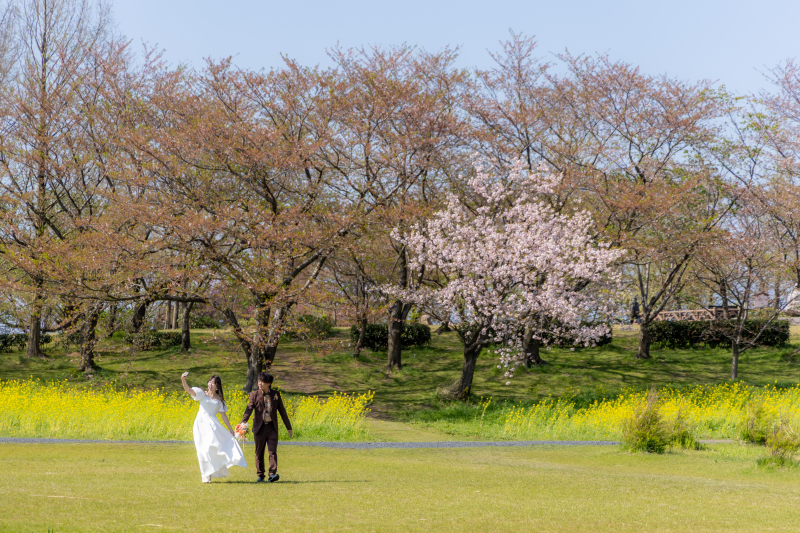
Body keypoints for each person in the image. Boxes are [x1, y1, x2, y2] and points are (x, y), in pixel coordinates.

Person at [181, 372, 247, 483]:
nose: (210, 384)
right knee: (202, 449)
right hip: (200, 424)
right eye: (209, 382)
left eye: (213, 383)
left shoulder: (219, 399)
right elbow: (188, 390)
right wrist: (183, 379)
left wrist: (231, 429)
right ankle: (205, 475)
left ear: (217, 386)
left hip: (213, 426)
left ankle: (210, 472)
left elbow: (223, 415)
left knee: (211, 447)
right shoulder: (202, 394)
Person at [241, 372, 293, 483]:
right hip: (259, 428)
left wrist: (289, 427)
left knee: (272, 451)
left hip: (272, 428)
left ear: (269, 383)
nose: (259, 383)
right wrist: (242, 424)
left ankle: (272, 474)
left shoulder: (276, 394)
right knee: (259, 452)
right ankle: (260, 475)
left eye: (262, 382)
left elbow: (282, 411)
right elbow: (249, 410)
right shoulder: (254, 395)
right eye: (259, 381)